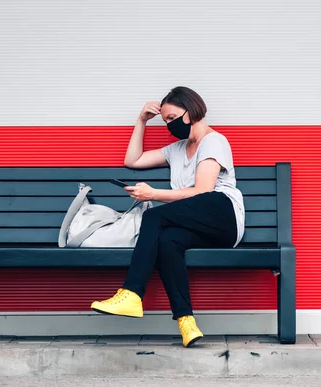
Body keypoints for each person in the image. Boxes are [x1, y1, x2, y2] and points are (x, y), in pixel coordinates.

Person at [90, 87, 245, 347]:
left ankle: (131, 293)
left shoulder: (213, 141)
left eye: (172, 118)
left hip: (223, 216)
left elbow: (203, 192)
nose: (169, 126)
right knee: (168, 242)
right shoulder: (176, 149)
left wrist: (152, 194)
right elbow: (133, 160)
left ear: (191, 110)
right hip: (199, 224)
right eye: (165, 121)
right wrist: (141, 120)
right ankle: (187, 322)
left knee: (154, 218)